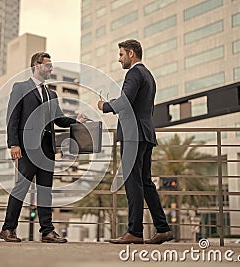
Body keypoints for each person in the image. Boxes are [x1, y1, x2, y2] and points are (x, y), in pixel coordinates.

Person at [0, 52, 86, 243]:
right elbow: (12, 117)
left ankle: (47, 231)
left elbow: (59, 119)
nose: (51, 69)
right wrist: (13, 143)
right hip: (27, 148)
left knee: (45, 190)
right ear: (37, 65)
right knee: (21, 187)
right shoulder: (20, 87)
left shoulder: (51, 93)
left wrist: (75, 120)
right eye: (48, 65)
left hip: (47, 149)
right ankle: (8, 229)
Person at [97, 40, 173, 244]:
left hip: (133, 135)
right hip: (146, 134)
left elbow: (124, 102)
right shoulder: (148, 75)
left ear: (131, 53)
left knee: (133, 182)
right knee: (146, 183)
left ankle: (135, 232)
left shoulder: (134, 73)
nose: (119, 58)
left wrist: (105, 105)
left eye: (121, 54)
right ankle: (163, 229)